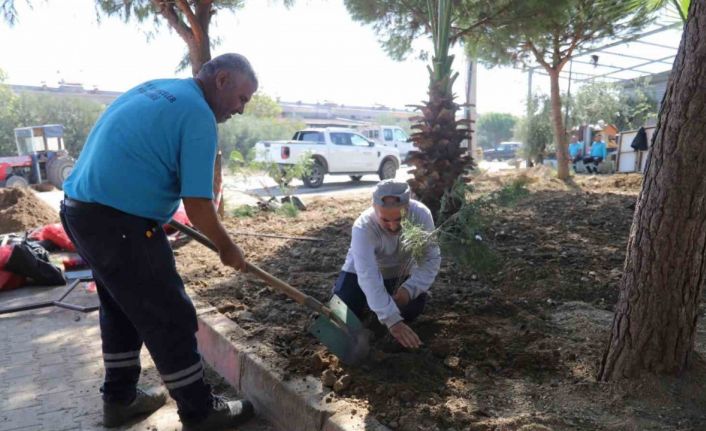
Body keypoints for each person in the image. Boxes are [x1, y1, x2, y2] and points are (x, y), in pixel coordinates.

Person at [60, 53, 257, 431]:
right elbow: (198, 205)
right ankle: (200, 411)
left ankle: (120, 400)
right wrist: (227, 246)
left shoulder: (159, 88)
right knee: (170, 313)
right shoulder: (198, 115)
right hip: (119, 223)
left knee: (121, 308)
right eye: (242, 98)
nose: (241, 109)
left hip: (80, 212)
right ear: (222, 81)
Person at [332, 180, 441, 349]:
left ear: (409, 206)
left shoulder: (421, 215)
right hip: (359, 272)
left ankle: (376, 312)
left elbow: (431, 259)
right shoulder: (363, 227)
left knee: (411, 309)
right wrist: (392, 321)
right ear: (374, 209)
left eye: (399, 219)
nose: (393, 226)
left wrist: (408, 290)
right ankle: (374, 308)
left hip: (399, 273)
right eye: (385, 220)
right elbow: (368, 275)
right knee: (341, 310)